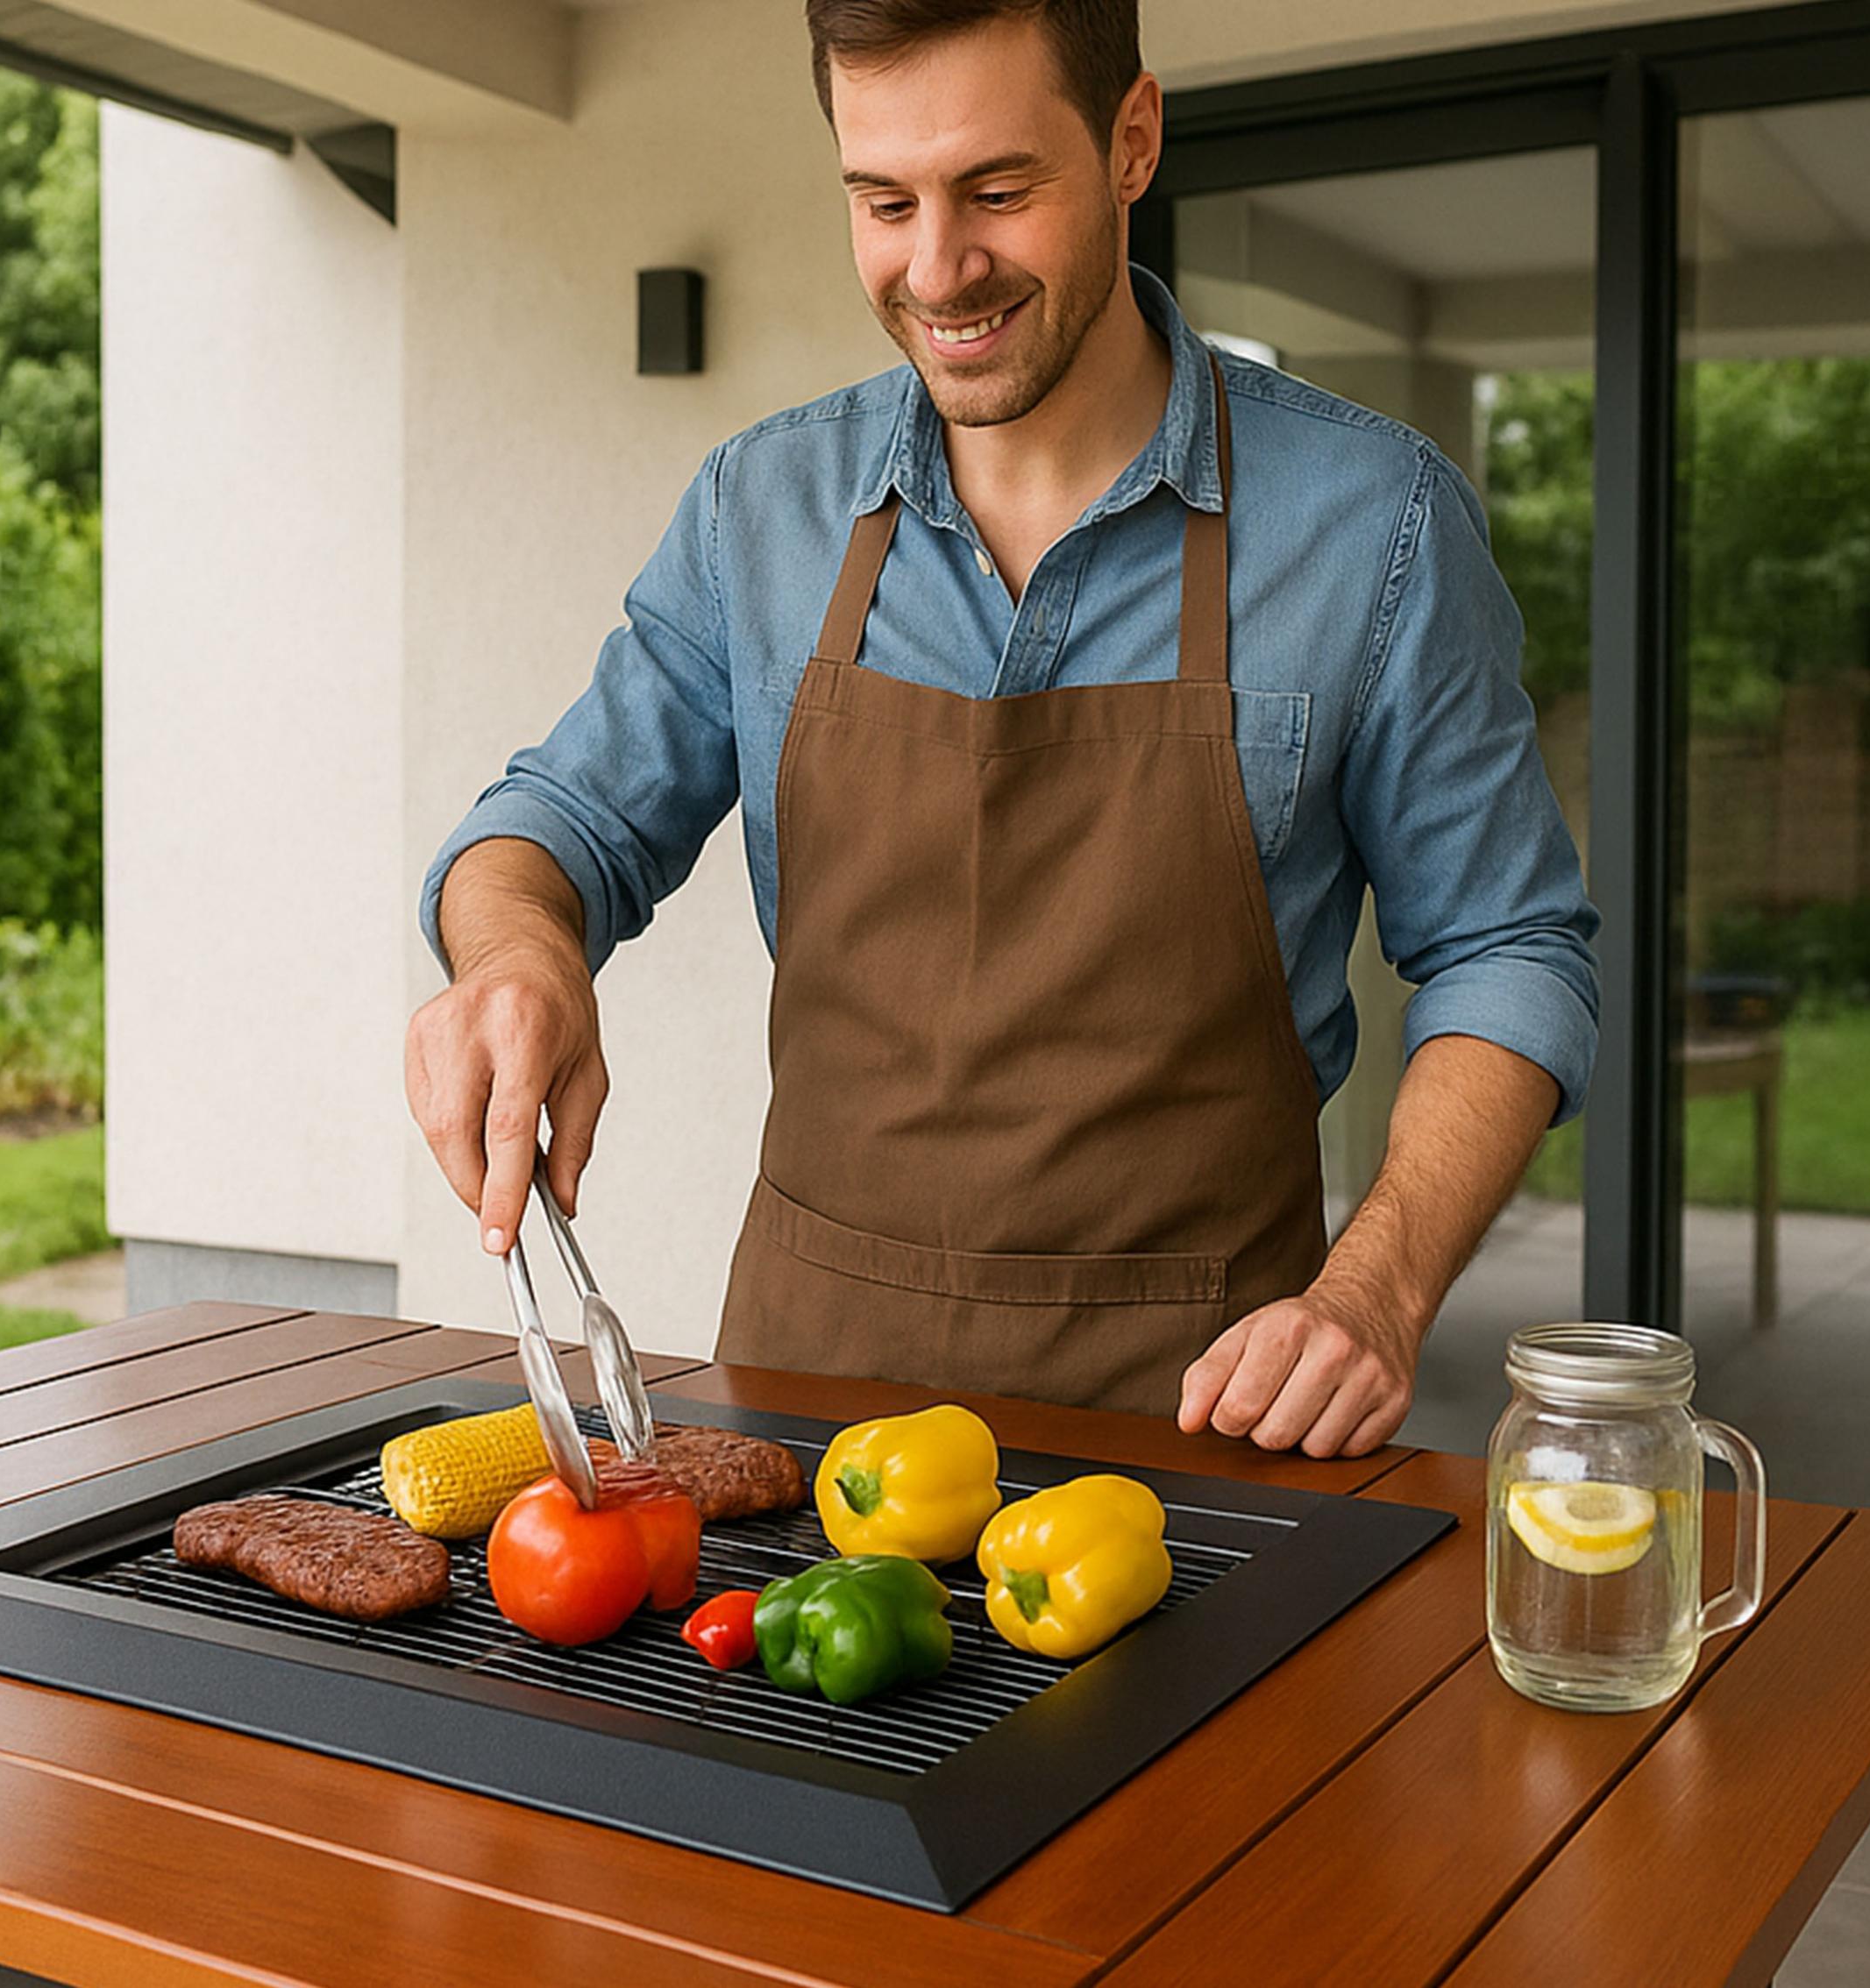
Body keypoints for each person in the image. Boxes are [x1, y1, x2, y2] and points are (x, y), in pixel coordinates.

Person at [408, 0, 1597, 1459]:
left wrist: (1379, 1288)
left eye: (998, 191)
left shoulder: (1376, 528)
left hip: (1203, 1434)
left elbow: (1509, 950)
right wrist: (520, 956)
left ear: (1132, 143)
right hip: (802, 1423)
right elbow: (553, 828)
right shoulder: (760, 514)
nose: (937, 268)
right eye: (884, 201)